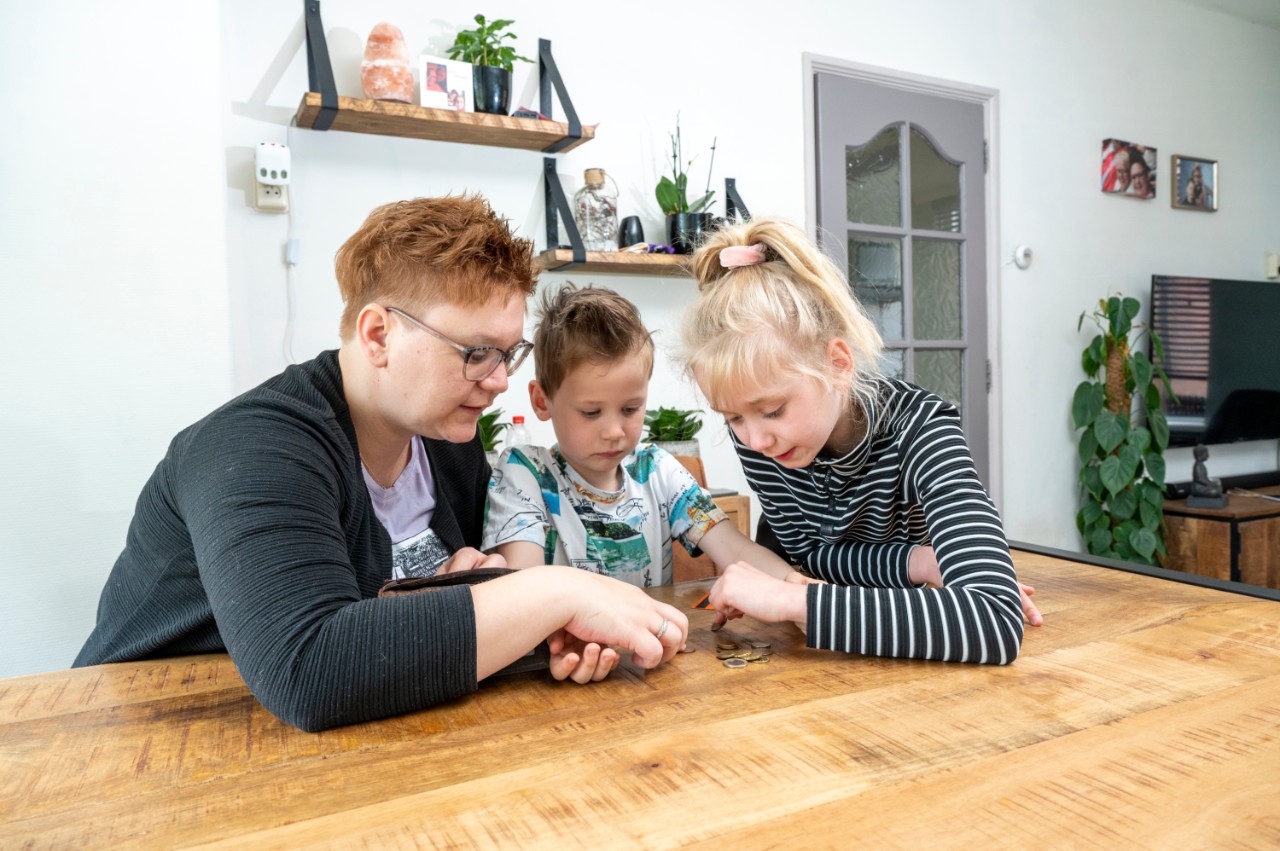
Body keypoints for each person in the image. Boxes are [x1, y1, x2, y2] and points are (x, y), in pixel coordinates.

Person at [73, 196, 688, 731]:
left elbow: (432, 611)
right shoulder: (253, 447)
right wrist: (551, 592)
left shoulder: (448, 440)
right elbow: (309, 669)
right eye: (476, 352)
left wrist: (506, 602)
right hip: (149, 740)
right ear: (377, 335)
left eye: (509, 353)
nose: (500, 380)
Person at [678, 217, 1042, 665]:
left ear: (837, 364)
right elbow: (809, 554)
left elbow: (994, 620)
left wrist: (793, 601)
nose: (755, 440)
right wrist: (917, 562)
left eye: (772, 411)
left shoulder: (925, 430)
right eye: (733, 418)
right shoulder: (766, 438)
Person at [483, 283, 813, 589]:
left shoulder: (657, 471)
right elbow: (521, 587)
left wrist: (801, 592)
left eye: (630, 409)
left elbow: (735, 549)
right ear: (542, 401)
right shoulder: (524, 474)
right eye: (591, 412)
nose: (614, 432)